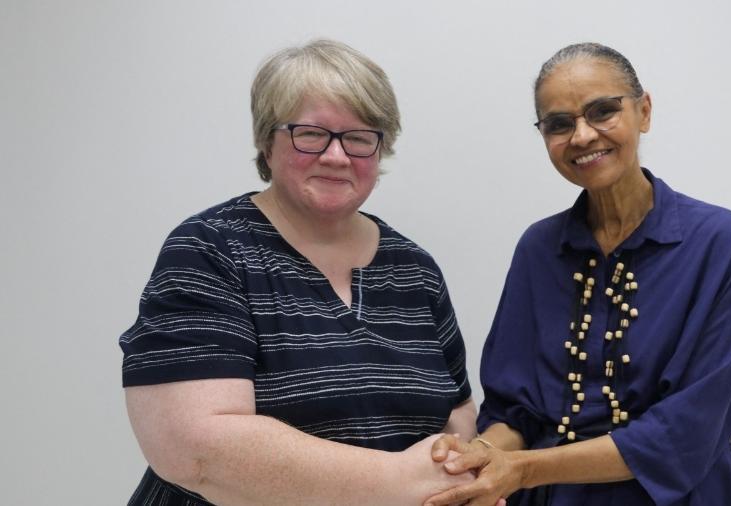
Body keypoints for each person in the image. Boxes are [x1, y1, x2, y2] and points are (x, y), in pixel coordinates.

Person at [119, 39, 476, 505]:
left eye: (359, 137)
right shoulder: (211, 250)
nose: (336, 156)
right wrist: (396, 482)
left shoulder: (415, 269)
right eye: (310, 134)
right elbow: (194, 449)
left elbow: (458, 413)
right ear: (267, 141)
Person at [427, 42, 731, 506]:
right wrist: (472, 459)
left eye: (602, 111)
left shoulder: (715, 240)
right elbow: (515, 413)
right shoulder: (539, 248)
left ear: (643, 111)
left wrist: (519, 470)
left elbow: (689, 427)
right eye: (559, 124)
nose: (582, 136)